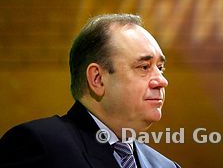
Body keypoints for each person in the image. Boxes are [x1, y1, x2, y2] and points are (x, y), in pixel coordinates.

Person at [0, 13, 181, 167]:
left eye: (160, 68)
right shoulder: (39, 146)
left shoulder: (165, 165)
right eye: (144, 67)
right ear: (97, 79)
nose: (162, 81)